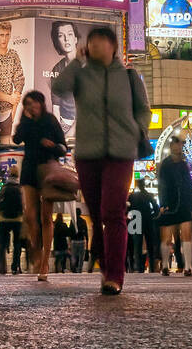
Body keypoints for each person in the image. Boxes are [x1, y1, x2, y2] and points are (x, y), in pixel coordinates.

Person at [53, 25, 152, 295]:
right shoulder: (82, 76)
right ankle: (104, 258)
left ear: (112, 46)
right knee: (96, 215)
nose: (95, 45)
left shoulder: (129, 76)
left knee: (113, 212)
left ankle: (115, 275)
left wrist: (138, 131)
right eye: (91, 42)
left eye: (100, 41)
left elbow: (144, 110)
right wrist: (77, 61)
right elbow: (58, 87)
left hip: (121, 153)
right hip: (87, 153)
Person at [11, 89, 67, 281]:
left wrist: (53, 146)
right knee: (29, 215)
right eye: (27, 104)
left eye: (33, 102)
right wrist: (24, 120)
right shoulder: (25, 122)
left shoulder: (51, 120)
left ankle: (44, 262)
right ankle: (35, 250)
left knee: (46, 217)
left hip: (47, 170)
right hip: (28, 170)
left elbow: (63, 145)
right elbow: (16, 138)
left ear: (41, 103)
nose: (31, 106)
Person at [157, 135, 192, 276]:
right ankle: (164, 264)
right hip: (170, 204)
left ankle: (188, 266)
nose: (179, 147)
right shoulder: (166, 164)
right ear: (171, 147)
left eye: (181, 145)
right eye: (177, 144)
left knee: (186, 233)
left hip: (184, 204)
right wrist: (162, 203)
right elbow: (161, 185)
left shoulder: (183, 163)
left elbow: (189, 184)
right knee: (167, 238)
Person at [0, 21, 25, 140]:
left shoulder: (13, 56)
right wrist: (9, 98)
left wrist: (12, 115)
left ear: (10, 36)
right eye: (2, 35)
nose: (4, 38)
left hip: (7, 114)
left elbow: (19, 81)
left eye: (7, 35)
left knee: (5, 150)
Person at [46, 21, 82, 137]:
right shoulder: (57, 69)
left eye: (70, 34)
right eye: (61, 35)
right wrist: (56, 131)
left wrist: (71, 132)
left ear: (76, 39)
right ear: (58, 41)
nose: (66, 39)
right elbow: (56, 106)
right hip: (65, 122)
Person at [0, 174, 25, 275]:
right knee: (17, 244)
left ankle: (1, 266)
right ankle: (14, 267)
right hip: (17, 218)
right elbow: (24, 203)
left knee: (2, 243)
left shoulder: (4, 187)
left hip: (4, 218)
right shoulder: (20, 188)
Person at [130, 178, 160, 272]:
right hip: (147, 220)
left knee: (137, 245)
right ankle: (151, 267)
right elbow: (156, 207)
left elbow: (127, 207)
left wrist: (130, 217)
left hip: (135, 220)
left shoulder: (132, 196)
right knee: (150, 244)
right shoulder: (148, 195)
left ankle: (139, 267)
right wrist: (153, 216)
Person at [70, 209, 88, 273]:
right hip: (81, 241)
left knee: (74, 256)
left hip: (74, 241)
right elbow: (86, 232)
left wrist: (70, 240)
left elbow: (70, 231)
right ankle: (79, 269)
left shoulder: (72, 221)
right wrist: (87, 242)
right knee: (81, 257)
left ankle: (73, 269)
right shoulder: (83, 221)